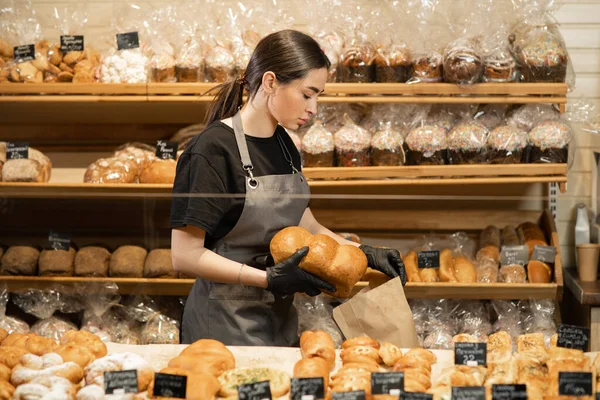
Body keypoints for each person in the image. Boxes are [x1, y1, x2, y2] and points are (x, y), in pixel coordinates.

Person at [170, 30, 406, 346]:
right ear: (270, 83)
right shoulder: (212, 150)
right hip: (222, 326)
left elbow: (302, 221)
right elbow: (184, 256)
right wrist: (269, 279)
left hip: (277, 319)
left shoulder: (284, 144)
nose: (314, 108)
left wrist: (363, 252)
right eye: (307, 94)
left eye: (318, 95)